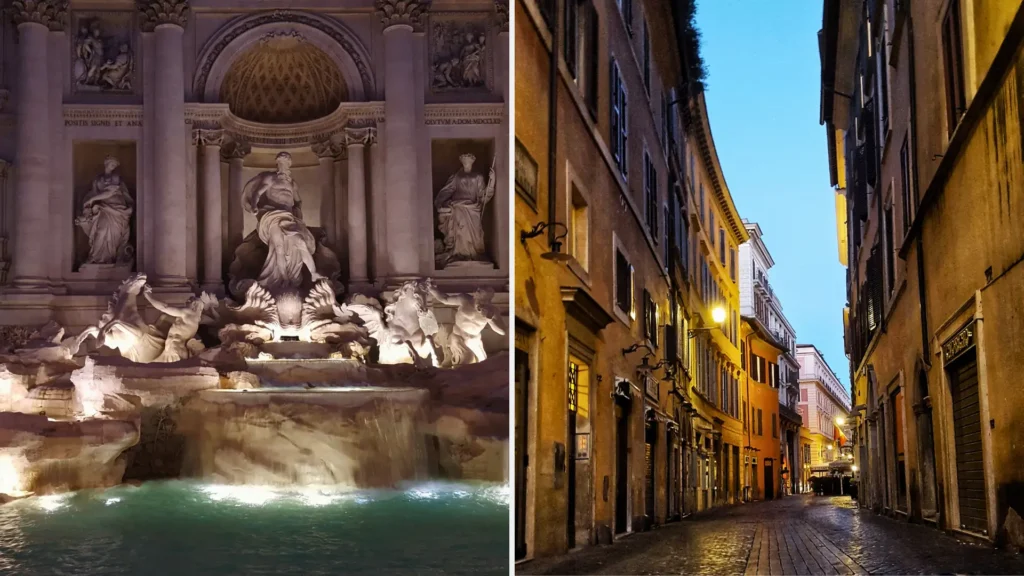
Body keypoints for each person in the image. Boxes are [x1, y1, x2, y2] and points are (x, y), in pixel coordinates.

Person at [240, 151, 323, 294]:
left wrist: (298, 211)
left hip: (289, 217)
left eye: (286, 162)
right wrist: (254, 205)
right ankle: (283, 279)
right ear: (277, 163)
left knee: (300, 242)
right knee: (278, 247)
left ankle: (313, 272)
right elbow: (258, 193)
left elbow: (297, 200)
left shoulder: (292, 183)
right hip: (272, 216)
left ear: (290, 164)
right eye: (281, 162)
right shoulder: (271, 178)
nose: (284, 165)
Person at [434, 153, 496, 266]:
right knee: (460, 232)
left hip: (473, 209)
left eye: (469, 160)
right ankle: (459, 254)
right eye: (464, 161)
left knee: (476, 233)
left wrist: (492, 182)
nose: (466, 163)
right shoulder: (456, 176)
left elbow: (484, 196)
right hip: (458, 207)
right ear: (462, 162)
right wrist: (439, 203)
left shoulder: (478, 177)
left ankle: (474, 254)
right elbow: (446, 191)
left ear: (472, 162)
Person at [76, 156, 134, 264]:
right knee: (101, 232)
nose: (114, 167)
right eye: (112, 164)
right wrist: (89, 204)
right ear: (106, 163)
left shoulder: (116, 177)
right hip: (102, 208)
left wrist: (93, 199)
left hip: (116, 208)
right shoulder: (98, 179)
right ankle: (95, 257)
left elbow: (110, 193)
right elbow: (94, 192)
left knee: (112, 235)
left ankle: (109, 258)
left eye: (115, 165)